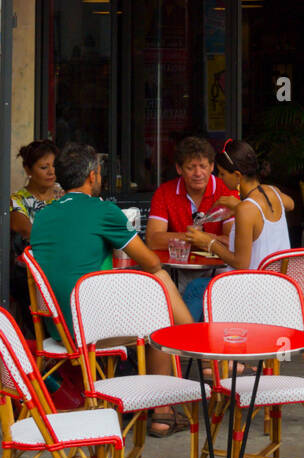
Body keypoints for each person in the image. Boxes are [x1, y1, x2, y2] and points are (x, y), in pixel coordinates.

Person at [30, 143, 192, 436]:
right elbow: (152, 261)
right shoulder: (103, 211)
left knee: (154, 297)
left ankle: (192, 344)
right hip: (88, 329)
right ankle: (163, 412)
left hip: (56, 327)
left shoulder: (42, 216)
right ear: (92, 176)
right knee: (159, 314)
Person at [185, 139, 294, 318]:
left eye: (221, 174)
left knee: (195, 289)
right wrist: (239, 207)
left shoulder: (246, 209)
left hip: (251, 291)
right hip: (278, 288)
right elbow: (291, 204)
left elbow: (241, 263)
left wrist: (209, 242)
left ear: (237, 175)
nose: (219, 179)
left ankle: (189, 344)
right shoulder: (273, 192)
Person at [145, 136, 239, 251]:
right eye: (191, 168)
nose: (198, 173)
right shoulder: (164, 192)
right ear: (179, 169)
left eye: (203, 166)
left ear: (212, 166)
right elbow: (153, 240)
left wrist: (186, 239)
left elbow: (231, 242)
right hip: (175, 265)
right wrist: (198, 239)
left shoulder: (227, 190)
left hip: (220, 266)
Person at [9, 139, 61, 327]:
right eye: (44, 167)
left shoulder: (63, 195)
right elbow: (21, 226)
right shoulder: (18, 199)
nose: (51, 172)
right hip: (32, 273)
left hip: (62, 266)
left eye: (54, 166)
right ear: (28, 170)